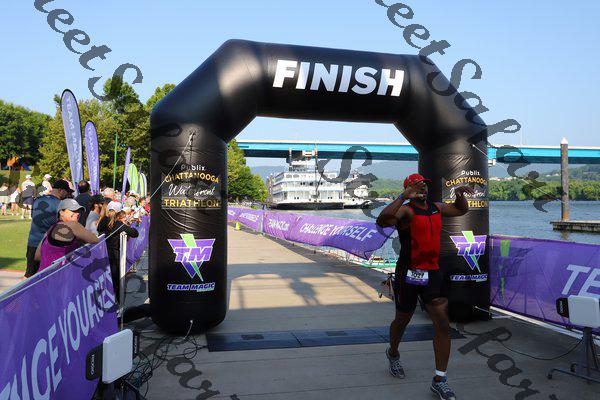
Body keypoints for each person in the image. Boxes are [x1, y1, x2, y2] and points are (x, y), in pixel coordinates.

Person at [376, 173, 474, 400]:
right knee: (403, 319)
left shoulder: (436, 207)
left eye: (424, 185)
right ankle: (393, 353)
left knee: (442, 323)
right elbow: (382, 221)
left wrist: (460, 195)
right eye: (416, 185)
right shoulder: (406, 210)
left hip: (433, 272)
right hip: (408, 273)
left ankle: (440, 379)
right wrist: (402, 196)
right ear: (408, 188)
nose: (422, 188)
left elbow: (460, 210)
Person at [24, 179, 74, 278]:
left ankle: (20, 289)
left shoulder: (38, 200)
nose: (68, 194)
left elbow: (33, 216)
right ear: (60, 190)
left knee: (29, 276)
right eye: (67, 191)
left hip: (32, 243)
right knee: (48, 277)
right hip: (47, 246)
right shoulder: (60, 204)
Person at [34, 199, 99, 272]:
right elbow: (95, 240)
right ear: (61, 212)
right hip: (59, 275)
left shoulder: (51, 228)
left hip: (43, 275)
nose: (77, 213)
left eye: (78, 211)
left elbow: (37, 256)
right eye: (73, 210)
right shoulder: (72, 225)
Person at [97, 201, 139, 303]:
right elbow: (135, 233)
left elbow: (98, 228)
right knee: (115, 278)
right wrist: (126, 225)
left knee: (104, 277)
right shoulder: (118, 224)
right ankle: (118, 301)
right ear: (119, 213)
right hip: (113, 254)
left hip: (102, 253)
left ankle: (107, 299)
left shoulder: (104, 220)